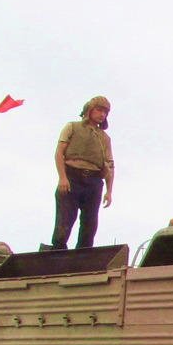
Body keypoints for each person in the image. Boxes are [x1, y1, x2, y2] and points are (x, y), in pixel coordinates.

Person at [50, 96, 115, 250]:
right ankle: (58, 251)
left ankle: (83, 254)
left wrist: (109, 191)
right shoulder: (72, 127)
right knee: (65, 219)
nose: (102, 115)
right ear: (89, 110)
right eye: (99, 110)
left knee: (90, 223)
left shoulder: (104, 138)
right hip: (72, 176)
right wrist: (63, 178)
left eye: (105, 112)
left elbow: (110, 166)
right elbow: (59, 153)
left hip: (94, 181)